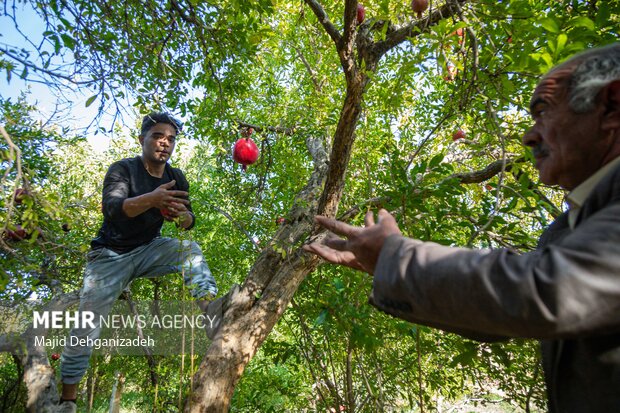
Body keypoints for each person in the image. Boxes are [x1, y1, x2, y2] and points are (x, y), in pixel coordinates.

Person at [304, 43, 620, 413]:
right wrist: (382, 266)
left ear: (611, 106)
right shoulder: (566, 230)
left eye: (543, 111)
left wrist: (395, 257)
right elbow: (508, 315)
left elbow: (548, 291)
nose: (529, 136)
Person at [57, 112, 219, 412]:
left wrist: (181, 217)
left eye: (171, 139)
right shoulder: (123, 170)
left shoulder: (176, 176)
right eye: (158, 136)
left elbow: (189, 219)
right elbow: (114, 210)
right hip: (109, 256)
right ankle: (68, 399)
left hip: (148, 249)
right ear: (142, 139)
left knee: (189, 249)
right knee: (86, 326)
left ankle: (210, 311)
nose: (165, 143)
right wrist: (153, 199)